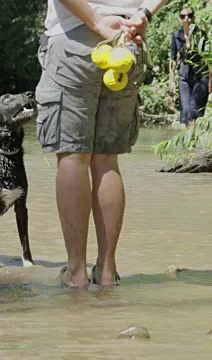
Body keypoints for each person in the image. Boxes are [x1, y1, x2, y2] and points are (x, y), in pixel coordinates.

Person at [36, 0, 166, 287]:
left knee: (73, 156)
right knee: (107, 159)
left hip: (76, 39)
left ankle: (76, 273)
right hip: (127, 42)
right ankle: (107, 272)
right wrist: (143, 14)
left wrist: (95, 21)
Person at [169, 7, 212, 126]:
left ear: (193, 17)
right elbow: (172, 58)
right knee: (186, 111)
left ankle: (192, 140)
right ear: (179, 19)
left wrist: (210, 80)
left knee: (195, 110)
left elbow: (208, 58)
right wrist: (171, 80)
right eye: (183, 16)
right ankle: (189, 142)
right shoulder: (176, 35)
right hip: (184, 76)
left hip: (201, 76)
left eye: (189, 15)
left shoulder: (201, 34)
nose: (186, 18)